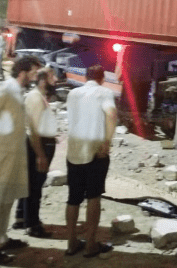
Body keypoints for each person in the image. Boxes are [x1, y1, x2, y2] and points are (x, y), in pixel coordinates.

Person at [0, 55, 42, 265]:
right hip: (1, 155)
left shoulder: (18, 91)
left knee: (7, 200)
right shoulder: (4, 89)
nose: (35, 76)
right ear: (23, 71)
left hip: (13, 155)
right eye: (33, 72)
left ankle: (1, 239)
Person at [64, 64, 116, 258]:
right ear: (102, 78)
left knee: (73, 198)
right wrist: (107, 142)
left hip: (74, 151)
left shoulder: (73, 94)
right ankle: (91, 244)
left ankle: (71, 243)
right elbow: (111, 114)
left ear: (85, 77)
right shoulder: (104, 92)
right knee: (93, 197)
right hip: (95, 151)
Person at [12, 66, 58, 238]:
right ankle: (33, 224)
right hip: (38, 147)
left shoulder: (39, 97)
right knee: (35, 186)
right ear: (43, 79)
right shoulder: (35, 98)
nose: (55, 79)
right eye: (52, 76)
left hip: (42, 144)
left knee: (29, 182)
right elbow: (33, 129)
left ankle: (22, 217)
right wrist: (40, 155)